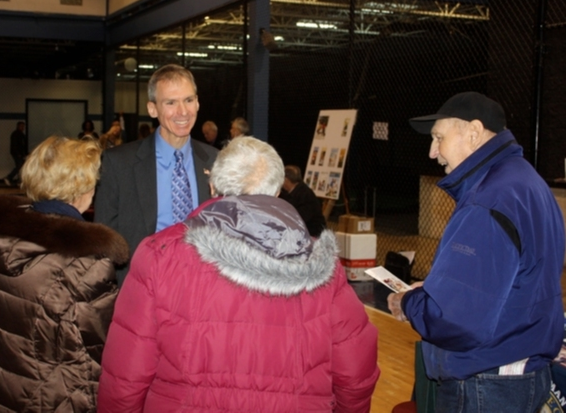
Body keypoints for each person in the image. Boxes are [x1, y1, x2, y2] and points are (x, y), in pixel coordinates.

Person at [97, 136, 380, 412]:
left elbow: (126, 374)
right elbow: (355, 371)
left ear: (211, 187)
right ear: (277, 192)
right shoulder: (322, 266)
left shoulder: (159, 255)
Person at [387, 91, 565, 413]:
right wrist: (436, 291)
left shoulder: (487, 201)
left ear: (473, 132)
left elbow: (457, 321)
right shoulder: (528, 183)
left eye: (439, 138)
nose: (433, 152)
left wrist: (410, 303)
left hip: (486, 385)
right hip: (524, 374)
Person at [0, 136, 129, 412]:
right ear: (79, 187)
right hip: (59, 397)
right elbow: (103, 347)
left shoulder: (0, 237)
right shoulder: (87, 263)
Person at [94, 64, 219, 285]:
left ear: (197, 103)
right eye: (170, 103)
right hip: (143, 290)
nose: (183, 111)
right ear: (152, 109)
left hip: (202, 288)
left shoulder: (217, 161)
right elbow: (105, 238)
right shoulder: (119, 164)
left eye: (188, 100)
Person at [280, 164, 327, 236]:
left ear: (286, 179)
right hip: (298, 231)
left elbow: (301, 217)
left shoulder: (305, 195)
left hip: (312, 233)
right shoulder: (287, 193)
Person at [3, 121, 26, 186]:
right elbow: (15, 145)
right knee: (19, 167)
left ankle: (19, 180)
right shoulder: (16, 134)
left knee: (20, 167)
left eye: (23, 126)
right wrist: (18, 153)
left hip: (19, 153)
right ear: (18, 126)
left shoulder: (21, 135)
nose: (23, 128)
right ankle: (9, 178)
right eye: (21, 126)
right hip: (17, 153)